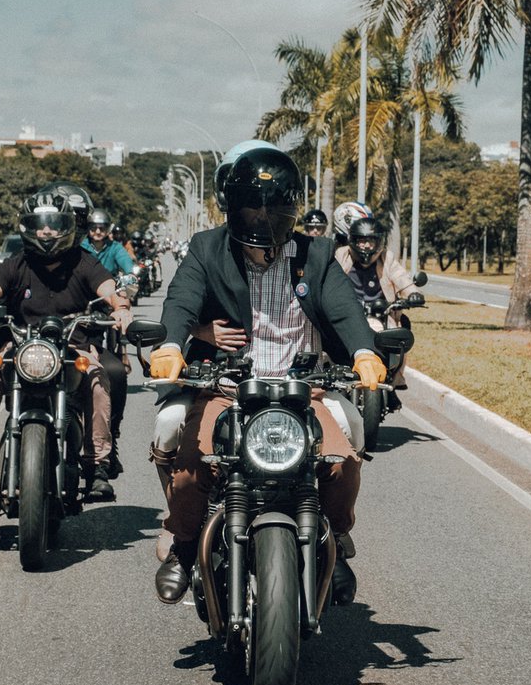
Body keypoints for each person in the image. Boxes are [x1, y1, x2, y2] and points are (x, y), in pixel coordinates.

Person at [147, 146, 388, 606]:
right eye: (253, 205)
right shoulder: (206, 248)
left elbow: (343, 309)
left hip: (303, 388)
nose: (263, 217)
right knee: (193, 465)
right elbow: (181, 301)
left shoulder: (316, 254)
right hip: (227, 387)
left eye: (275, 205)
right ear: (233, 207)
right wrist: (173, 345)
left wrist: (363, 352)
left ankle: (335, 541)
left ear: (292, 207)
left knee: (342, 459)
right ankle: (181, 546)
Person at [0, 190, 133, 504]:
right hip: (20, 345)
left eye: (53, 224)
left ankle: (98, 466)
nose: (47, 231)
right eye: (39, 224)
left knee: (97, 379)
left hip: (73, 347)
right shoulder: (16, 264)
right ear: (28, 227)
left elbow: (109, 289)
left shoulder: (84, 262)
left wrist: (120, 307)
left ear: (67, 226)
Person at [335, 215, 424, 402]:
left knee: (399, 335)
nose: (367, 246)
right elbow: (329, 276)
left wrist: (412, 293)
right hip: (347, 310)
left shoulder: (387, 257)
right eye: (362, 240)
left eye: (371, 240)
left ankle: (394, 381)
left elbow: (401, 278)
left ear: (379, 242)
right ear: (353, 241)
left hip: (382, 312)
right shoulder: (341, 255)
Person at [80, 207, 136, 475]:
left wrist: (121, 302)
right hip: (78, 313)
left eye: (101, 228)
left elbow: (128, 269)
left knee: (114, 372)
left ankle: (109, 440)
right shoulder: (79, 249)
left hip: (104, 308)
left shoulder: (115, 250)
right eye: (93, 227)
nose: (97, 232)